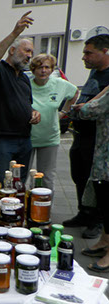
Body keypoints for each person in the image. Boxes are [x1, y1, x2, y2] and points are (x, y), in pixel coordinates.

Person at [0, 11, 41, 183]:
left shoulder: (24, 78)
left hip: (25, 139)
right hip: (2, 140)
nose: (29, 56)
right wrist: (14, 33)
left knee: (19, 184)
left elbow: (27, 104)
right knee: (3, 183)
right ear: (12, 50)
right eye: (26, 51)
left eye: (31, 53)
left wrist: (34, 112)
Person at [63, 34, 109, 239]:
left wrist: (86, 107)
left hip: (99, 140)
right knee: (79, 175)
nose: (84, 57)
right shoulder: (94, 74)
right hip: (81, 135)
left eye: (89, 53)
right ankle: (84, 213)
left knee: (97, 181)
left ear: (105, 51)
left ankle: (97, 221)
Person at [69, 86, 109, 271]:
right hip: (103, 154)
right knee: (103, 198)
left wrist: (84, 105)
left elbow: (88, 111)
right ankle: (105, 241)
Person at [28, 54, 78, 190]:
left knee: (47, 177)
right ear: (33, 69)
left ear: (51, 69)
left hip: (49, 138)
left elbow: (75, 93)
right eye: (39, 67)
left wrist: (63, 112)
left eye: (47, 67)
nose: (43, 71)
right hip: (27, 137)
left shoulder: (59, 84)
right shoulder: (26, 84)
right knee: (21, 175)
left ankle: (45, 203)